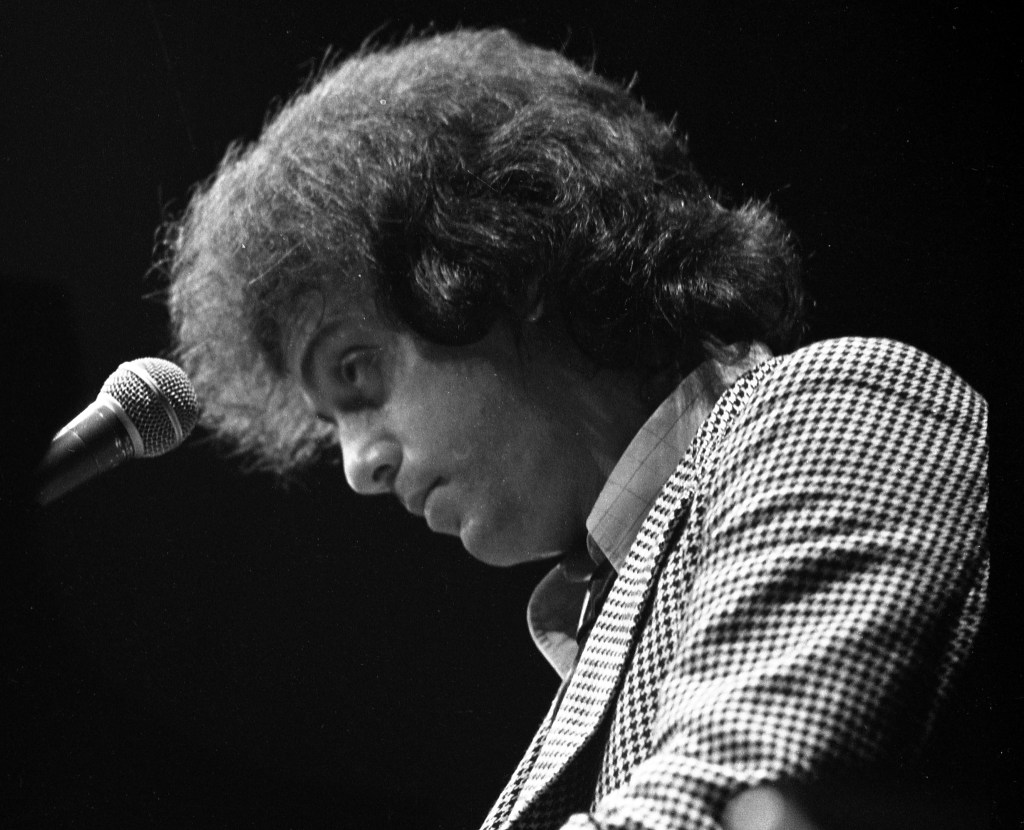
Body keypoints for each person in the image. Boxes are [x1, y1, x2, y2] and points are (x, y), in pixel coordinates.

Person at [160, 28, 989, 830]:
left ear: (503, 256)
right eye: (332, 421)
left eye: (355, 370)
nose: (356, 466)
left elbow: (712, 806)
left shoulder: (830, 404)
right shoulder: (600, 615)